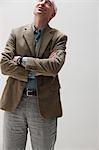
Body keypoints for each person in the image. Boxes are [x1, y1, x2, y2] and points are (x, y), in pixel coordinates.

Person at [0, 0, 67, 150]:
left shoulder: (58, 37)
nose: (42, 3)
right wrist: (39, 68)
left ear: (53, 14)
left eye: (48, 2)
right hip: (14, 102)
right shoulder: (16, 33)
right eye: (40, 0)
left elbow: (54, 66)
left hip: (43, 104)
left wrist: (21, 60)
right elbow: (4, 65)